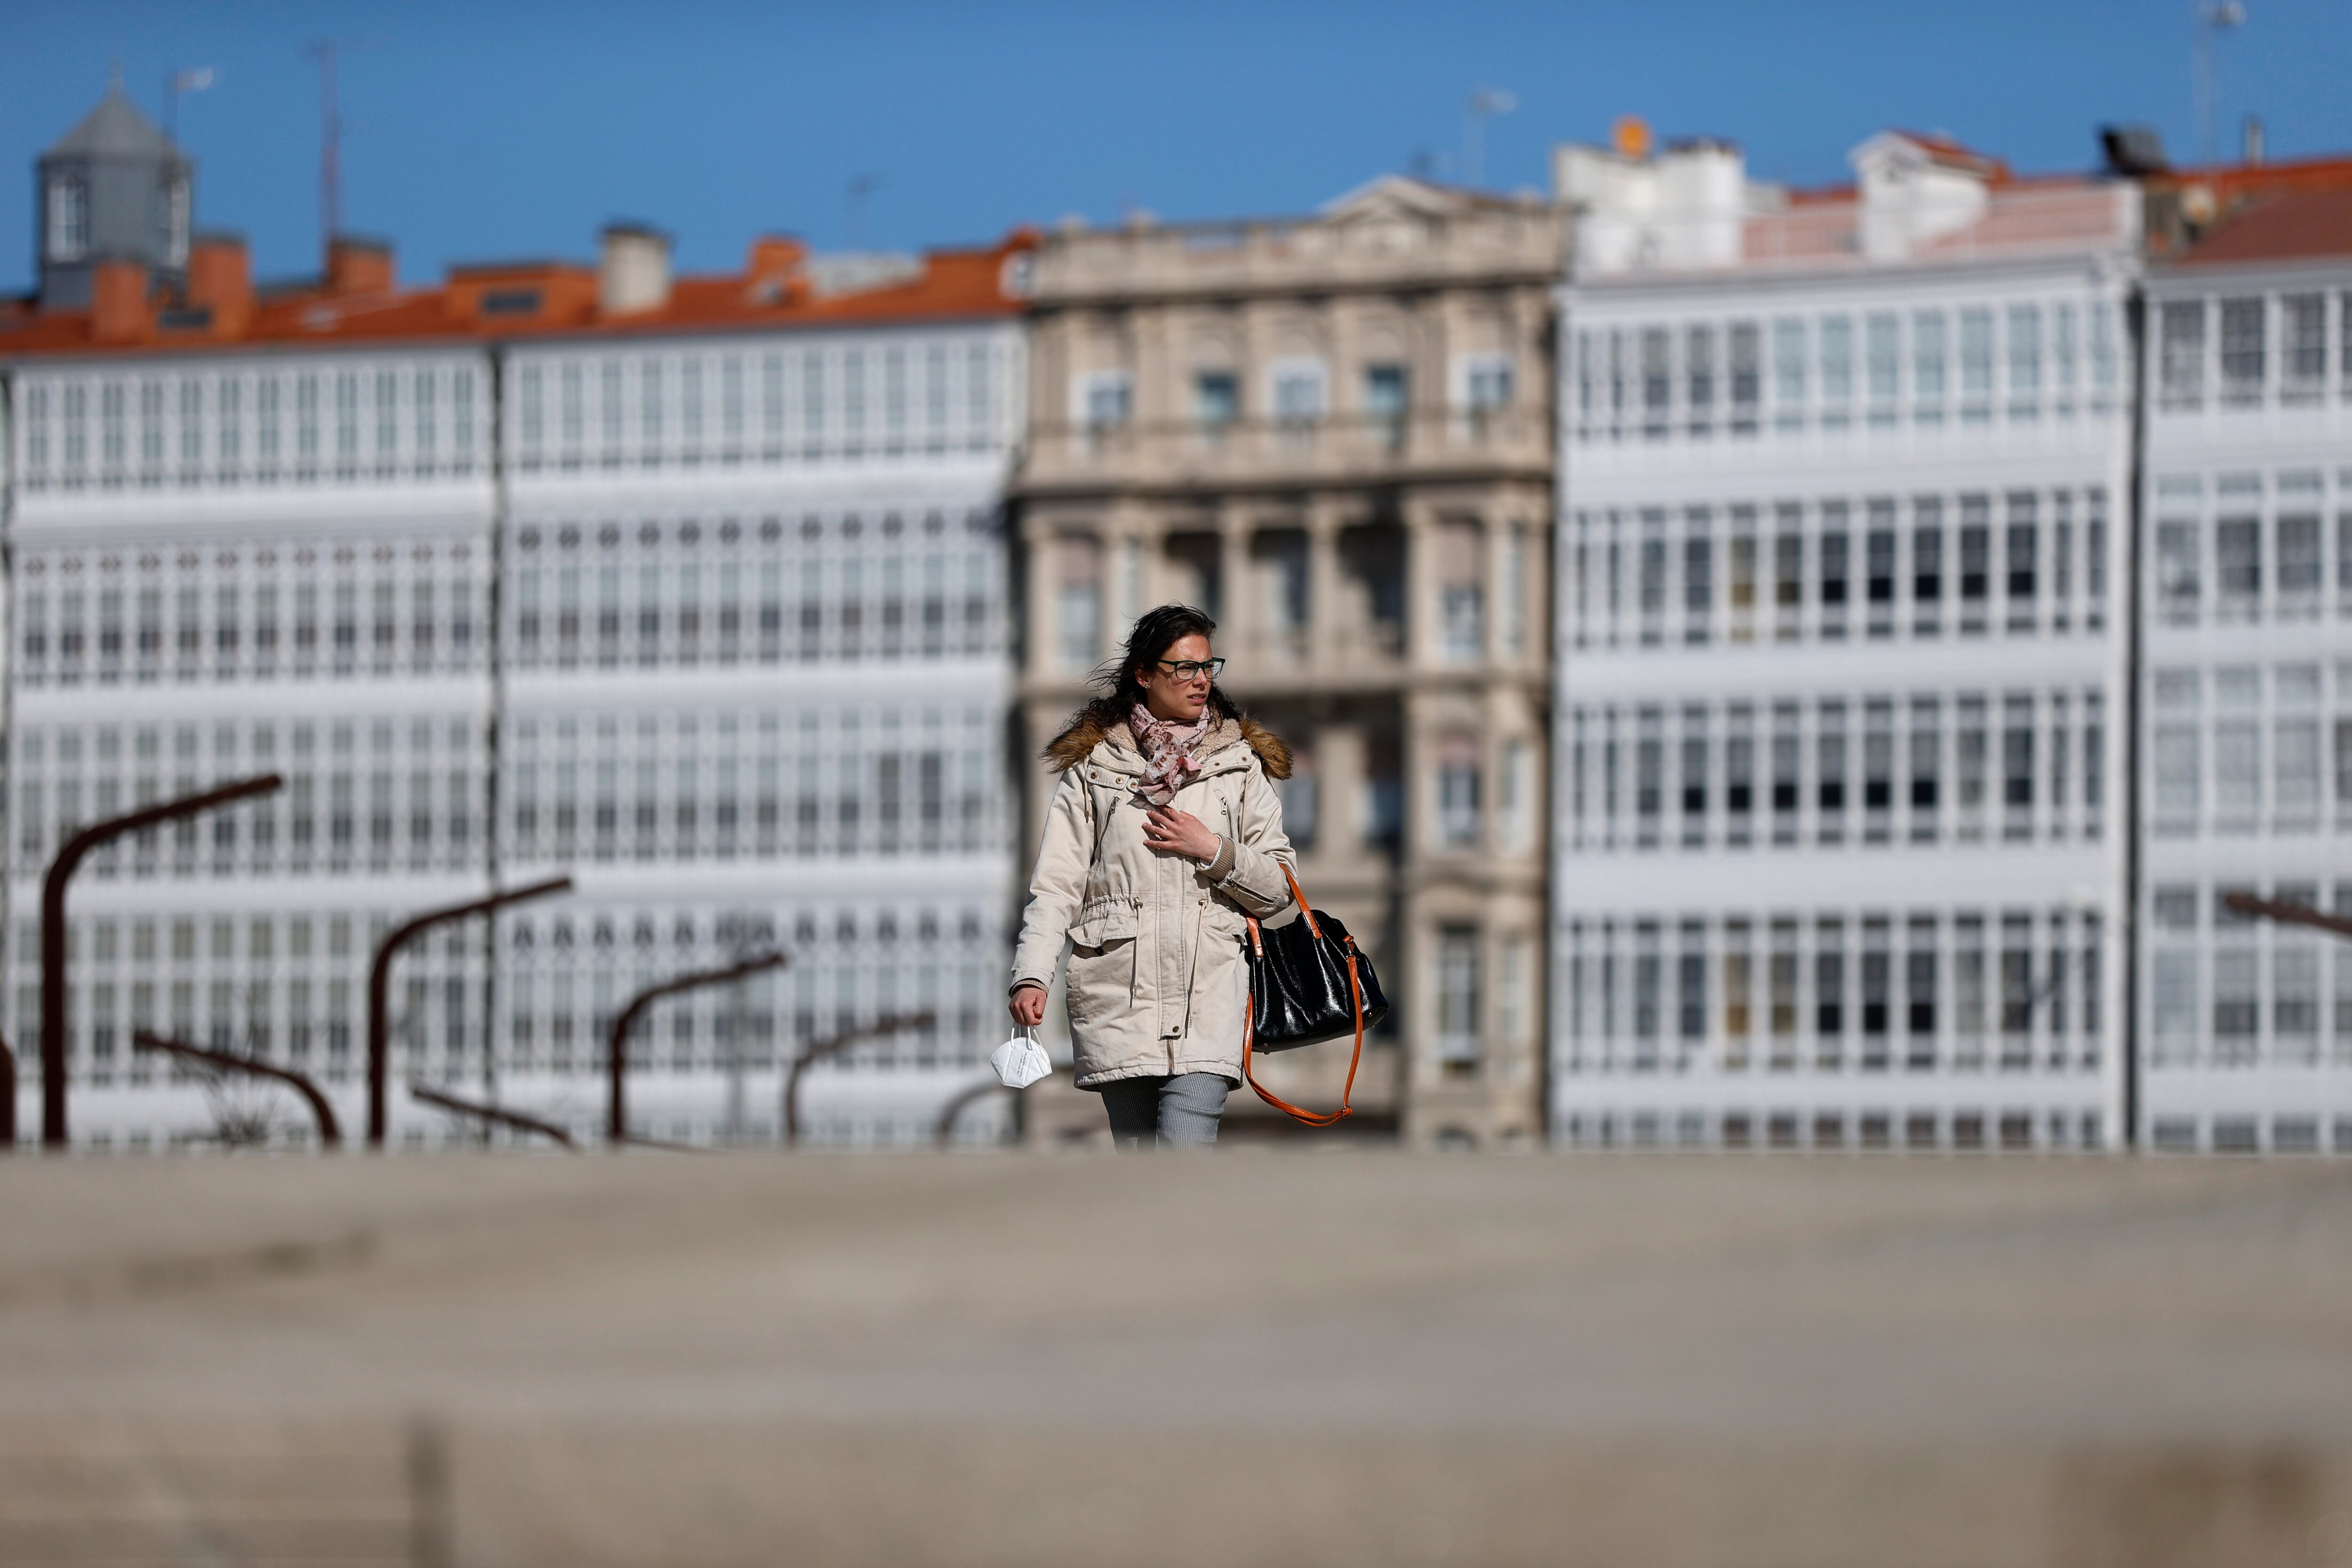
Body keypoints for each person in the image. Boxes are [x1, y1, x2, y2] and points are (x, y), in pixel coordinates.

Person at [1009, 604, 1296, 1149]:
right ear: (1143, 674)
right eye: (1184, 668)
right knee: (1138, 1171)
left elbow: (1280, 886)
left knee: (1183, 1157)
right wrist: (1031, 975)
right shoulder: (1092, 769)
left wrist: (1212, 849)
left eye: (1209, 667)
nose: (1201, 680)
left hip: (1209, 995)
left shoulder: (1238, 766)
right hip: (1117, 998)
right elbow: (1056, 885)